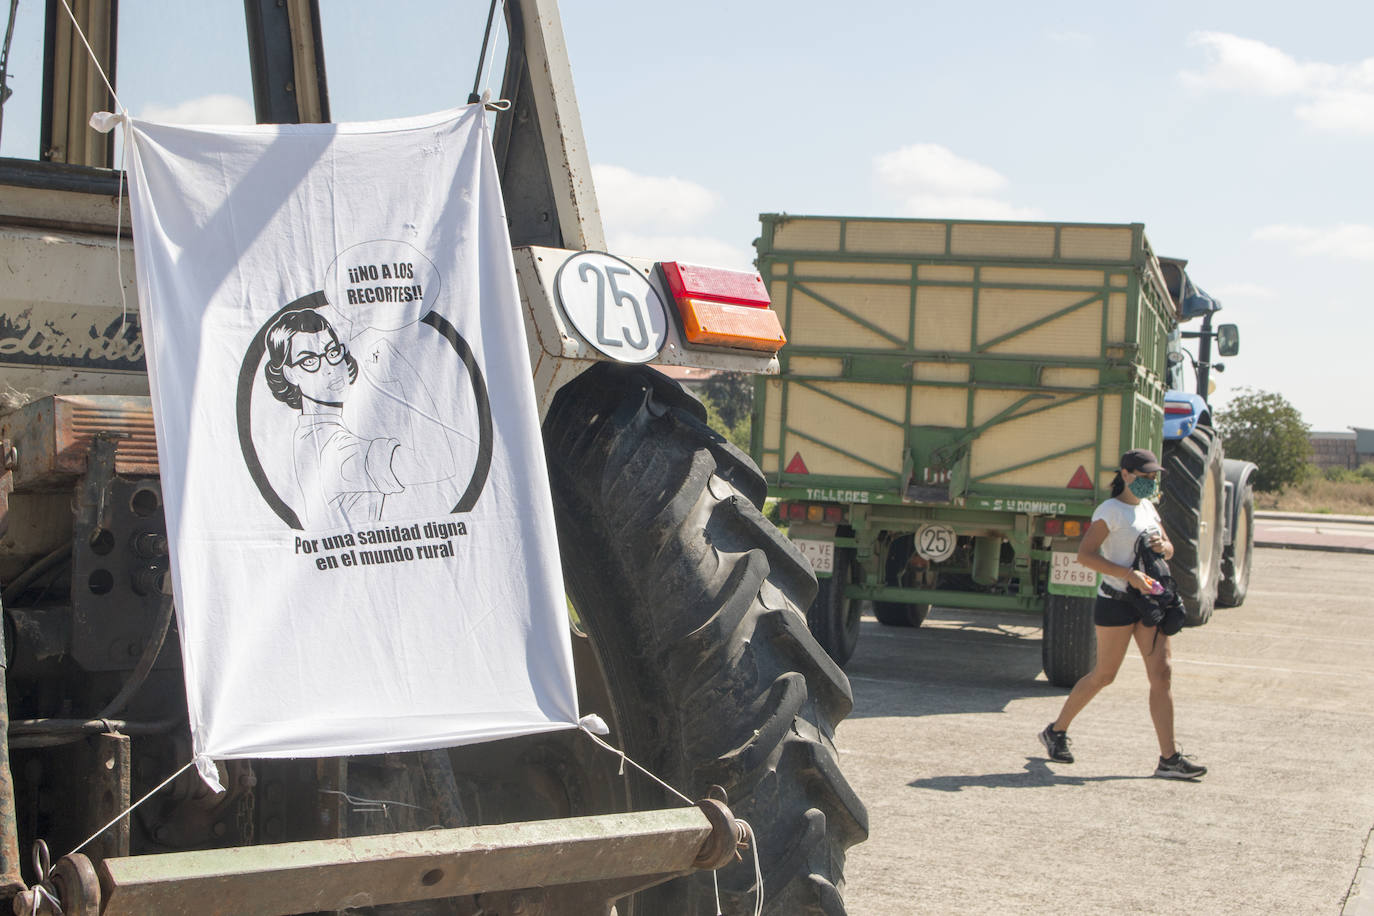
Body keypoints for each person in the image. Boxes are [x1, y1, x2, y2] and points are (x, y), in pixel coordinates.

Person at [1038, 448, 1208, 780]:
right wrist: (1127, 575)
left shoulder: (1148, 508)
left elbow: (1170, 549)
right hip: (1116, 600)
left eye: (1153, 477)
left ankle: (1169, 758)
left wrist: (1164, 547)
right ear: (1126, 474)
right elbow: (1085, 556)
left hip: (1150, 603)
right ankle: (1056, 731)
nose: (1149, 482)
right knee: (1104, 675)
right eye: (1143, 476)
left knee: (1162, 675)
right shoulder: (1110, 511)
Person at [263, 306, 456, 527]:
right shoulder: (334, 449)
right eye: (309, 361)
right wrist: (400, 369)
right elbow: (437, 464)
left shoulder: (317, 434)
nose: (329, 368)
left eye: (332, 353)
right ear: (290, 374)